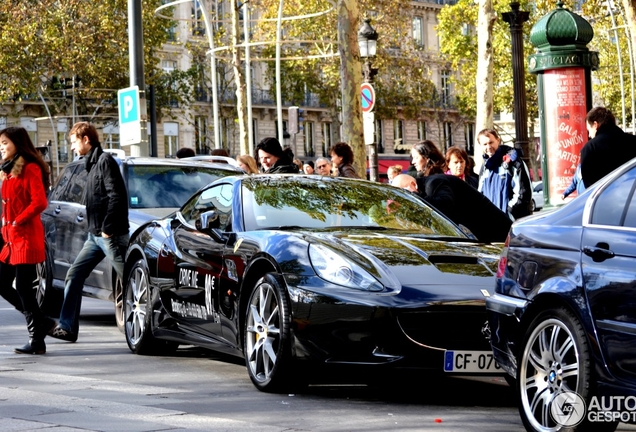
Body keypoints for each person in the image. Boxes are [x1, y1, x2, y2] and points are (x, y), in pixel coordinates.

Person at [49, 122, 129, 342]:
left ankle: (150, 322)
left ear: (86, 140)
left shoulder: (104, 161)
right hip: (94, 237)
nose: (72, 148)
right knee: (74, 275)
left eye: (74, 142)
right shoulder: (90, 164)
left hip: (109, 235)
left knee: (130, 280)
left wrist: (107, 230)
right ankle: (67, 328)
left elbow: (117, 196)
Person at [0, 126, 55, 354]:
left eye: (4, 142)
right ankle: (41, 322)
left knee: (24, 287)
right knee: (3, 283)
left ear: (17, 143)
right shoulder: (8, 170)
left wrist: (18, 220)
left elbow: (40, 201)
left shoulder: (29, 167)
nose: (1, 147)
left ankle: (36, 339)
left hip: (25, 237)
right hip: (10, 239)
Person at [392, 173, 511, 243]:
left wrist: (415, 195)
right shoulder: (428, 187)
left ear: (413, 185)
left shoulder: (434, 183)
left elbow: (445, 206)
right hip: (486, 232)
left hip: (497, 230)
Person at [477, 128, 532, 220]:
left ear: (498, 140)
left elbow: (523, 193)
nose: (488, 147)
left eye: (491, 142)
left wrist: (509, 212)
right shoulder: (484, 167)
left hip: (511, 221)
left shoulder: (514, 162)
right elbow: (480, 195)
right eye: (485, 144)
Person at [580, 106, 636, 188]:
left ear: (595, 125)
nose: (589, 135)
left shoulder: (590, 148)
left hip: (605, 199)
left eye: (589, 130)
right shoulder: (633, 141)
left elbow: (589, 187)